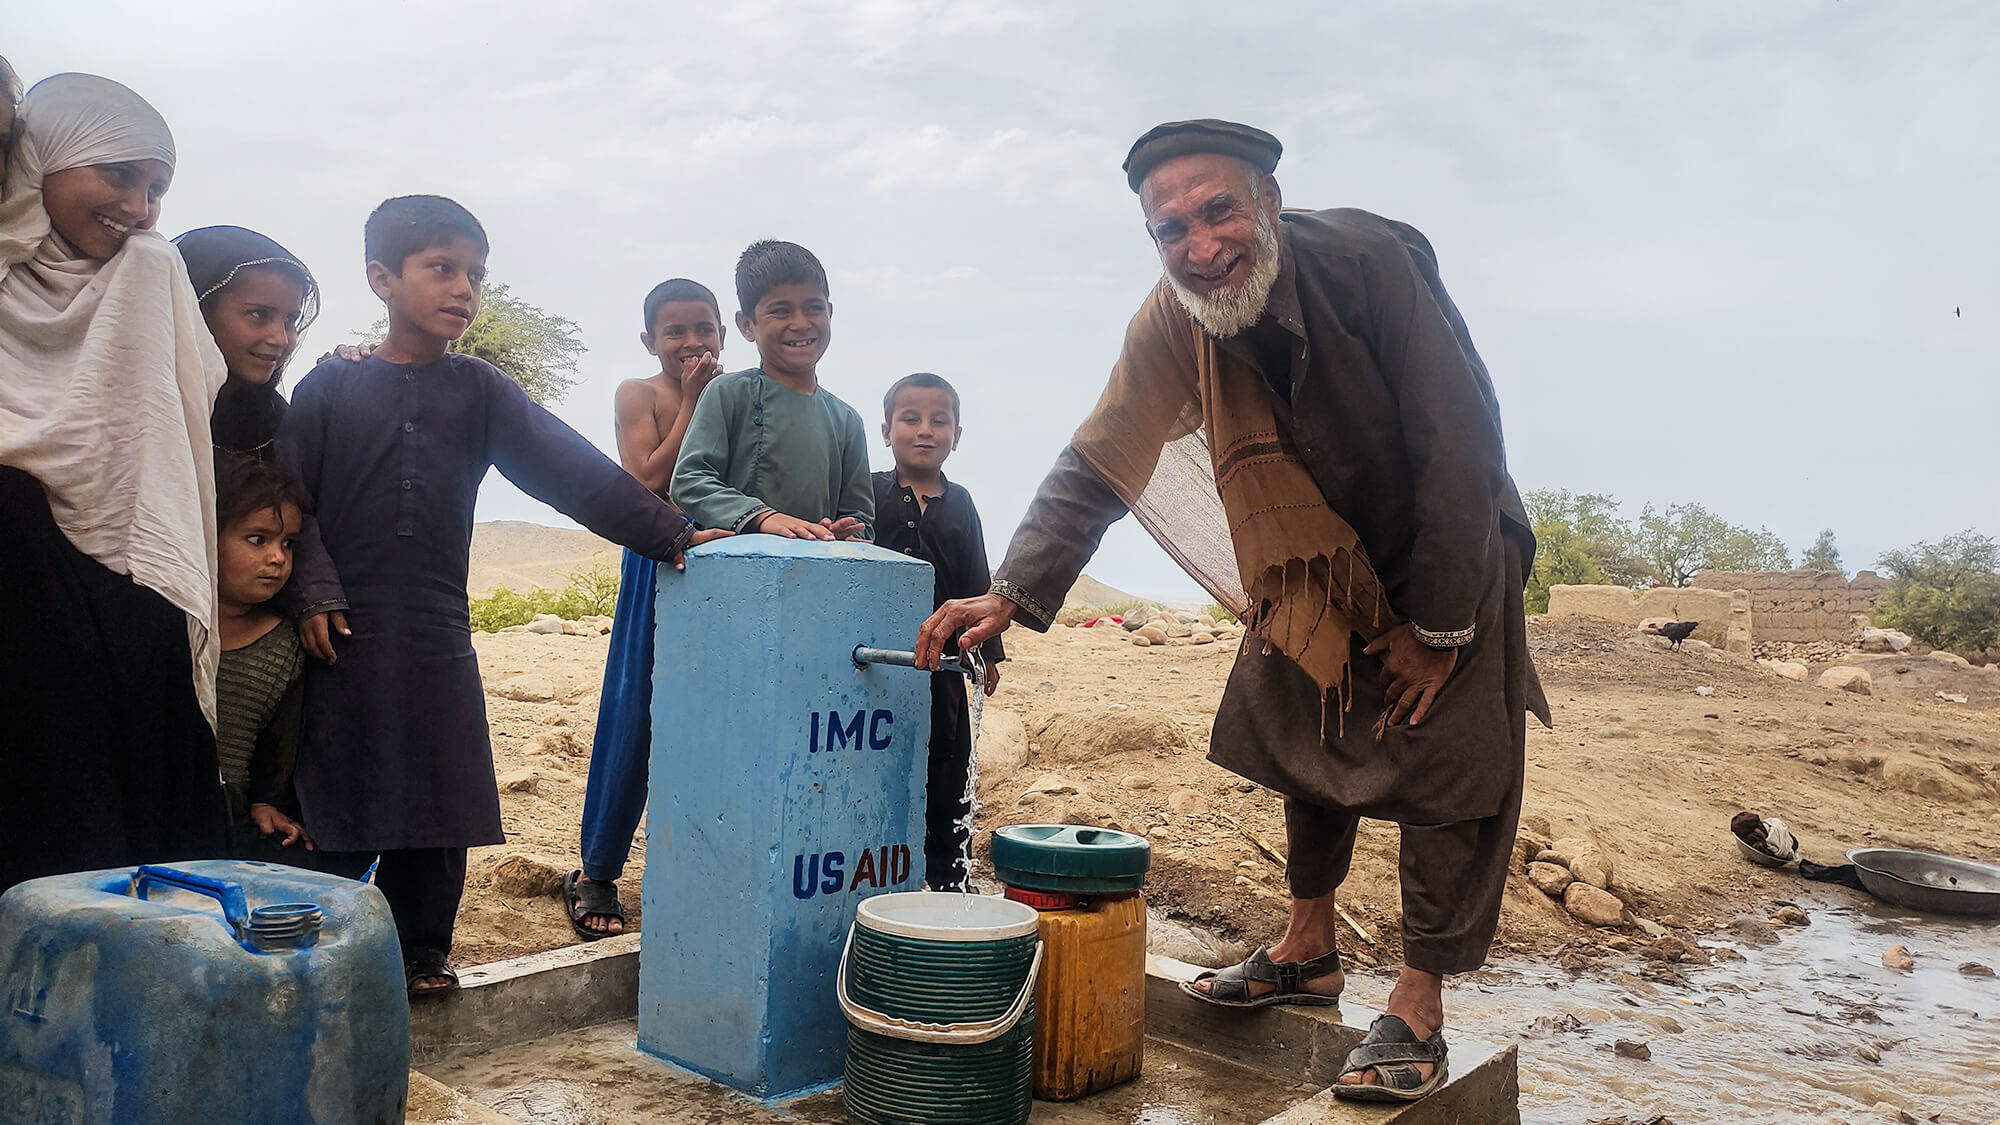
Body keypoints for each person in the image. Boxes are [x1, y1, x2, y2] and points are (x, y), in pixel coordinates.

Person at [915, 120, 1550, 1103]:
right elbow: (1099, 455)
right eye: (1168, 231)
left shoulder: (1371, 265)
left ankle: (1415, 1003)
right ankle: (1307, 946)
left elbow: (1455, 442)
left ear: (1269, 204)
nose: (1199, 247)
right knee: (1298, 723)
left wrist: (1437, 630)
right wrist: (1010, 589)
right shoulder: (1173, 318)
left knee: (1442, 762)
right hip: (1309, 553)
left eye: (1217, 213)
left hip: (1446, 542)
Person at [277, 195, 726, 995]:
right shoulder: (328, 388)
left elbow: (570, 471)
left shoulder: (479, 388)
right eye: (441, 268)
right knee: (333, 772)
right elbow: (289, 500)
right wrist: (310, 586)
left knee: (436, 781)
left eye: (475, 275)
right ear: (382, 277)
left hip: (437, 621)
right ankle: (320, 937)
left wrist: (673, 535)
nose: (463, 289)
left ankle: (419, 950)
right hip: (338, 623)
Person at [0, 73, 230, 894]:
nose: (139, 207)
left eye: (157, 186)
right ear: (43, 158)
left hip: (129, 580)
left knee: (119, 834)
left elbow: (155, 439)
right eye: (119, 175)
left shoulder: (145, 271)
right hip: (24, 609)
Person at [566, 278, 728, 939]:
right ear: (648, 340)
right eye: (674, 331)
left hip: (724, 556)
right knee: (635, 706)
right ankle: (597, 868)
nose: (691, 342)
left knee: (716, 713)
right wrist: (691, 401)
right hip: (658, 551)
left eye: (704, 329)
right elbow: (645, 482)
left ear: (726, 331)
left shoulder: (744, 395)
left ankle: (703, 863)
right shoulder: (641, 394)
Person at [872, 373, 1005, 892]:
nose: (924, 430)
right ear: (887, 430)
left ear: (957, 433)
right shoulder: (868, 491)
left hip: (946, 667)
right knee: (882, 759)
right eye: (910, 418)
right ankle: (884, 871)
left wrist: (988, 651)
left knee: (948, 767)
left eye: (939, 420)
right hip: (882, 663)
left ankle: (950, 876)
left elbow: (978, 577)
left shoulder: (962, 502)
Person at [669, 240, 873, 541]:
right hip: (732, 571)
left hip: (816, 575)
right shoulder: (727, 393)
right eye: (781, 311)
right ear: (747, 325)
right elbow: (689, 481)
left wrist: (843, 533)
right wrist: (764, 518)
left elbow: (862, 519)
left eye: (813, 308)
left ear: (829, 312)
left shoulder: (847, 420)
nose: (801, 324)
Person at [212, 451, 316, 866]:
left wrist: (264, 802)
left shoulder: (283, 647)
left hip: (226, 821)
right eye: (257, 539)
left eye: (287, 544)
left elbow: (279, 745)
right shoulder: (167, 625)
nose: (277, 558)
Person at [175, 225, 320, 457]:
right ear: (198, 311)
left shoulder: (278, 429)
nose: (280, 339)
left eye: (291, 319)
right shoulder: (143, 409)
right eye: (259, 314)